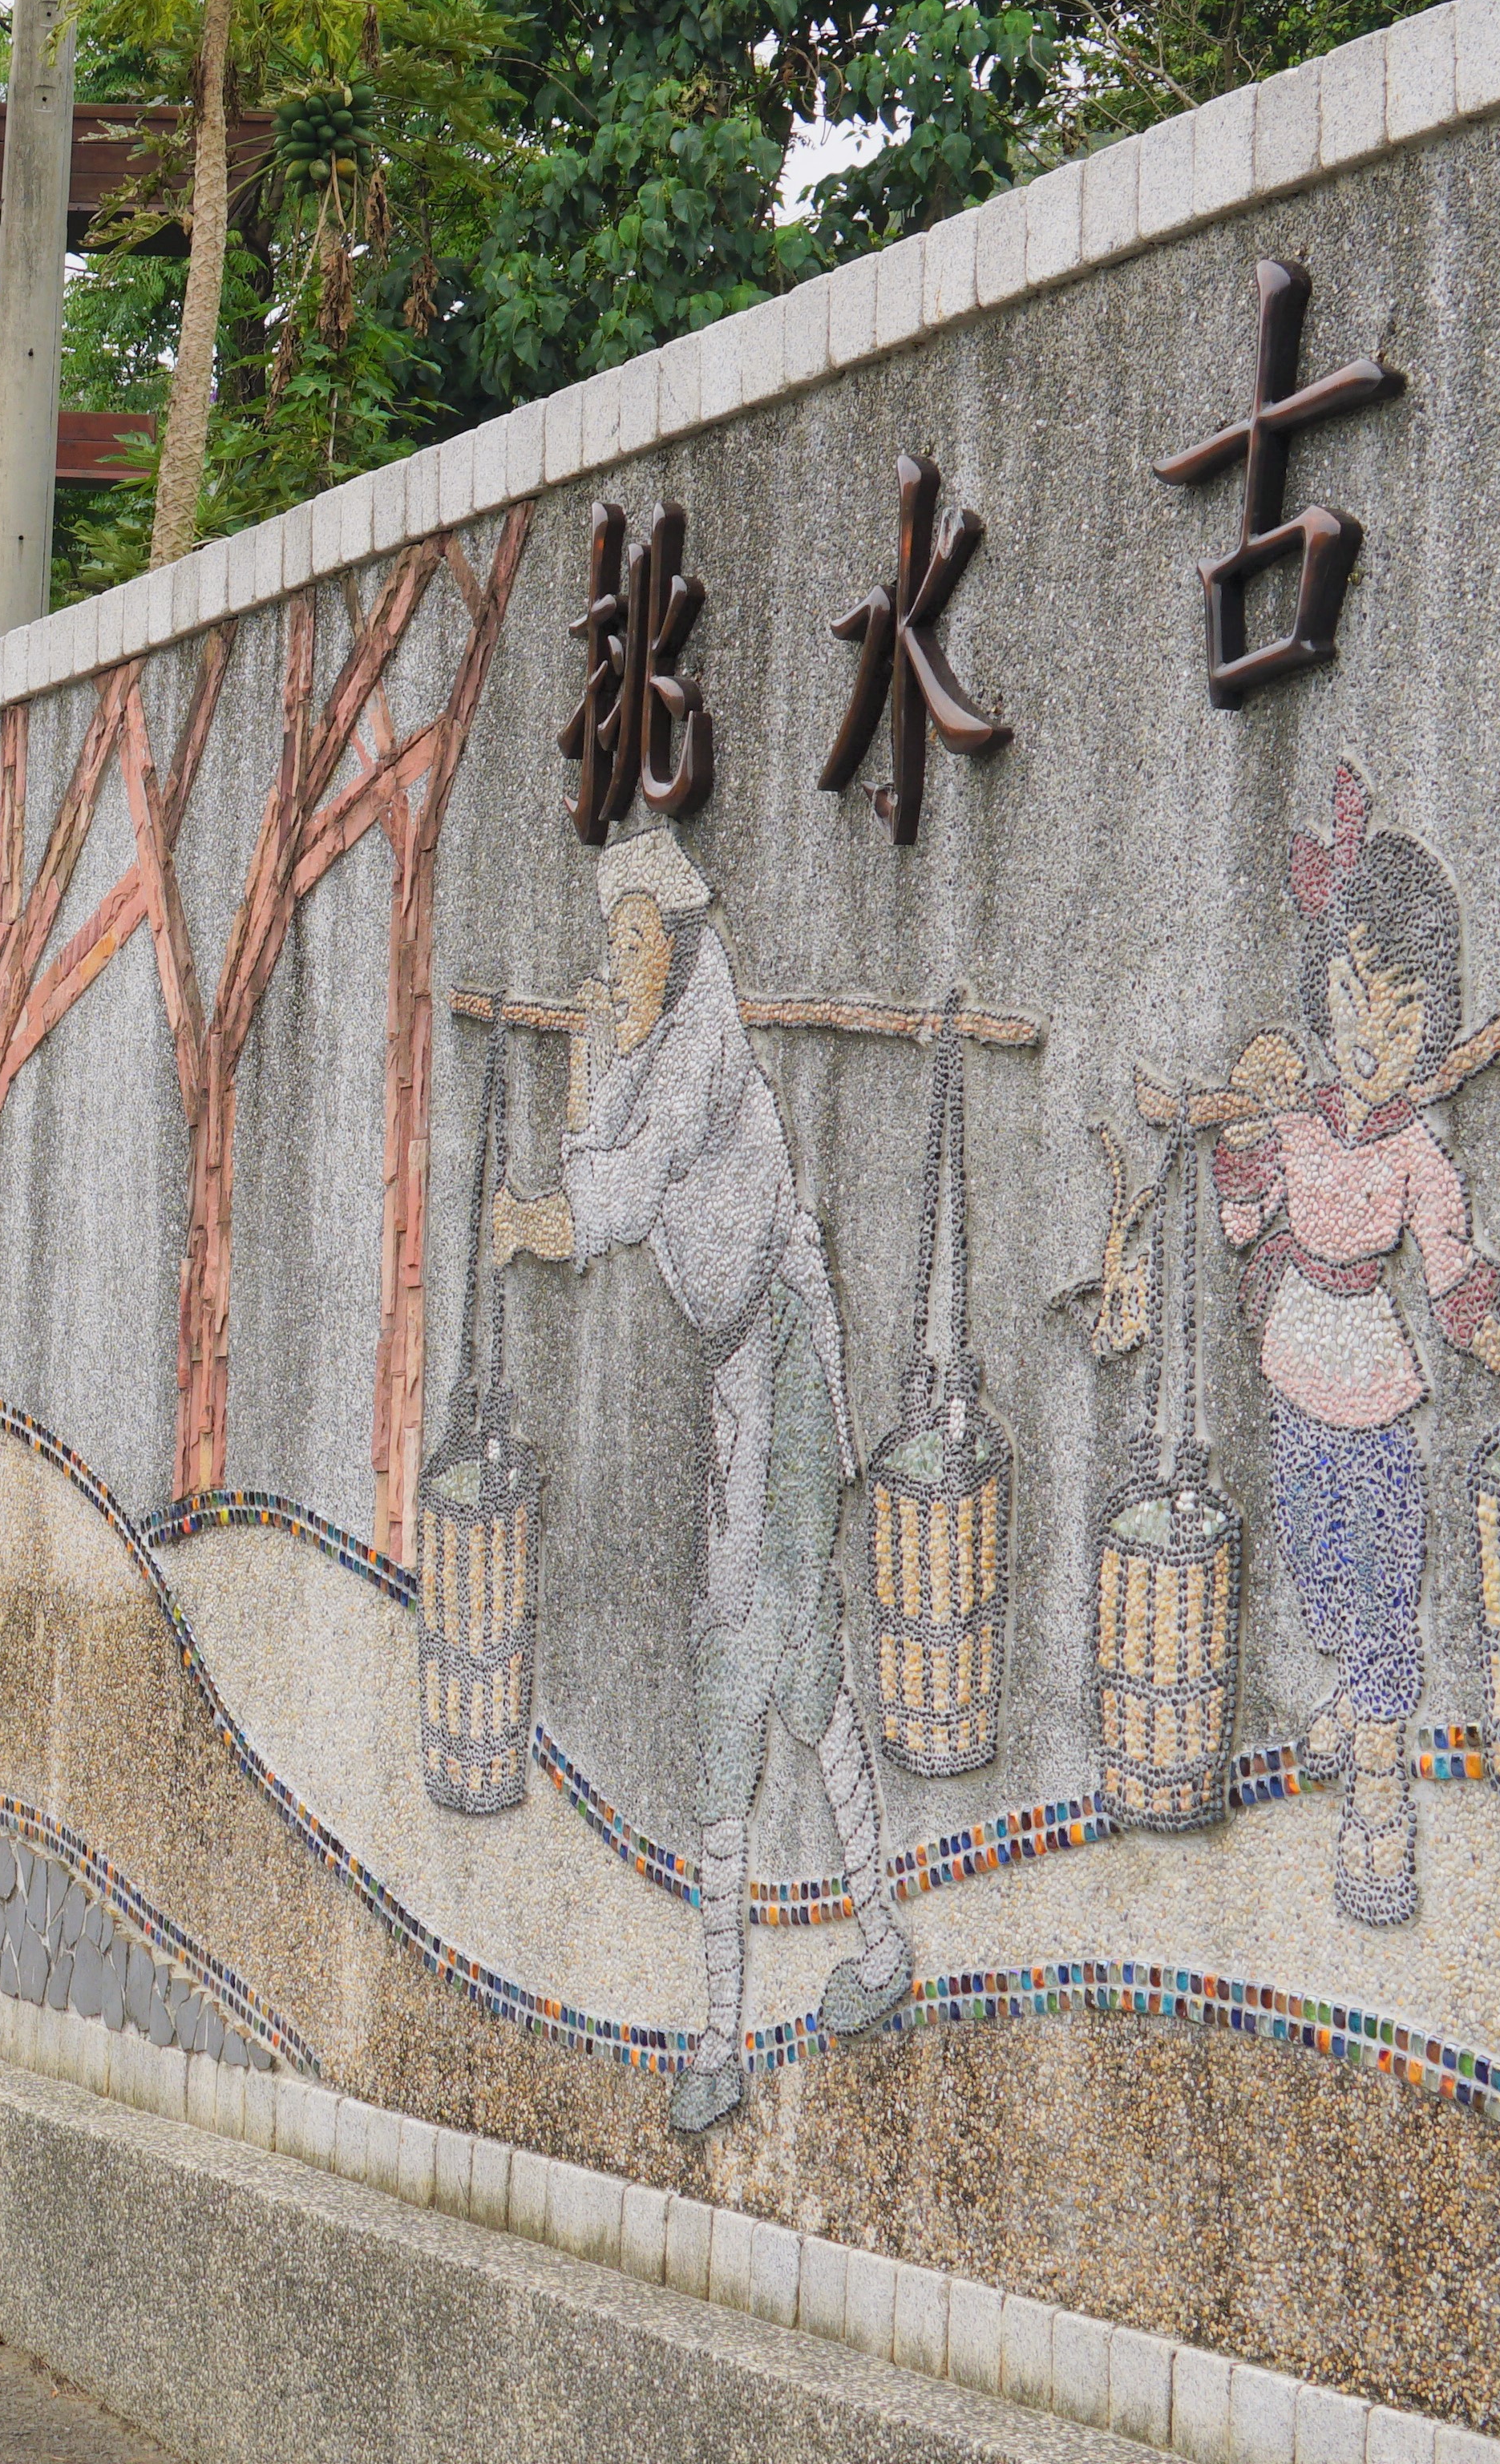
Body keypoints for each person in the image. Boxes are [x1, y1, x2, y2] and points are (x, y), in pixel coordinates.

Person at [490, 828, 909, 2135]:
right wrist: (576, 1087)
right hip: (751, 1373)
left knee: (744, 1666)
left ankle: (720, 2037)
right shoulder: (654, 1041)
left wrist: (536, 1211)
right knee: (803, 1673)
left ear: (676, 937)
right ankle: (881, 1942)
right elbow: (598, 1154)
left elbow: (616, 1192)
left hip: (778, 1362)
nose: (620, 958)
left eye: (635, 937)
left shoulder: (708, 1030)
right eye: (610, 937)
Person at [1205, 766, 1500, 1928]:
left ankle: (1381, 1803)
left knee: (1386, 1580)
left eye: (1399, 1017)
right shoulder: (1294, 1120)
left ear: (1432, 1024)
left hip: (1375, 1392)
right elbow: (1247, 1226)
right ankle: (1356, 1680)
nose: (1370, 1036)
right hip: (1295, 1375)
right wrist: (1244, 1149)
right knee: (1311, 1560)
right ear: (1320, 996)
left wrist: (1488, 1327)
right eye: (1352, 1003)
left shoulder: (1417, 1155)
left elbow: (1447, 1264)